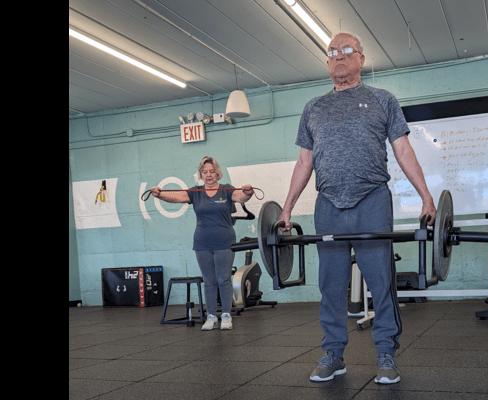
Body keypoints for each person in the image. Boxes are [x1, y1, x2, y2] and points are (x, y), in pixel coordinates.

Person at [278, 32, 437, 384]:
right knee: (330, 285)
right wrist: (287, 209)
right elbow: (304, 162)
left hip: (371, 199)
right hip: (328, 204)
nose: (338, 56)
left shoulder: (382, 99)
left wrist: (426, 196)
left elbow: (403, 150)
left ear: (361, 59)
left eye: (347, 50)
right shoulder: (313, 108)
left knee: (380, 281)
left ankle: (385, 353)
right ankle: (333, 354)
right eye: (332, 51)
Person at [150, 156, 254, 331]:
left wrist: (248, 192)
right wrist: (159, 194)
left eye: (212, 171)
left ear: (218, 173)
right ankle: (211, 316)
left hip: (224, 241)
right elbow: (177, 197)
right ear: (200, 174)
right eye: (204, 172)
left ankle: (226, 315)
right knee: (209, 281)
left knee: (223, 279)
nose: (208, 175)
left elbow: (242, 197)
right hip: (202, 243)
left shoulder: (227, 189)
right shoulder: (196, 192)